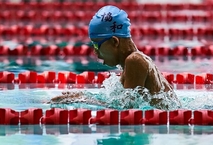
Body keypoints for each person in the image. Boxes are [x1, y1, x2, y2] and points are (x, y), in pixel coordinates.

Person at [51, 5, 180, 110]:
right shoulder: (138, 60)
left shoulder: (134, 61)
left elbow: (127, 109)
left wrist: (83, 100)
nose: (96, 54)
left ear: (114, 42)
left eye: (97, 46)